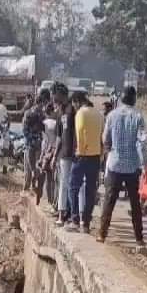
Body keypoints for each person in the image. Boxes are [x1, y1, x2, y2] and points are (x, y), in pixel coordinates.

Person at [99, 86, 145, 244]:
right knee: (135, 203)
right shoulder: (138, 116)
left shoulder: (112, 115)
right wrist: (143, 165)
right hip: (132, 165)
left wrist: (109, 151)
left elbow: (105, 138)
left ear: (121, 98)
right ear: (134, 99)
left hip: (115, 163)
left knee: (109, 200)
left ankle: (102, 234)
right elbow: (141, 143)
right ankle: (139, 239)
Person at [67, 91, 104, 233]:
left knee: (73, 187)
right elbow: (102, 135)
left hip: (82, 156)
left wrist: (80, 150)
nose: (74, 107)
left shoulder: (80, 113)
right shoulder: (99, 114)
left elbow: (80, 131)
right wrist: (101, 154)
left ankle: (75, 220)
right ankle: (86, 224)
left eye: (73, 104)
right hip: (95, 156)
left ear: (77, 101)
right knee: (90, 190)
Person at [51, 82, 75, 226]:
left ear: (60, 94)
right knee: (63, 183)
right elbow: (59, 136)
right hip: (62, 154)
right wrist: (54, 155)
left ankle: (65, 214)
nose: (53, 98)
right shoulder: (61, 112)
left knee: (68, 185)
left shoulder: (72, 110)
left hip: (72, 154)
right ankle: (63, 213)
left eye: (54, 94)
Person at [23, 90, 49, 191]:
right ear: (40, 103)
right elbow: (25, 129)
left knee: (32, 167)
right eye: (42, 104)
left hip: (32, 143)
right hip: (33, 143)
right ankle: (29, 186)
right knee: (32, 167)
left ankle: (31, 187)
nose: (42, 107)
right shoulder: (38, 114)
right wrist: (36, 139)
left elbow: (25, 130)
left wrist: (33, 139)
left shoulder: (29, 113)